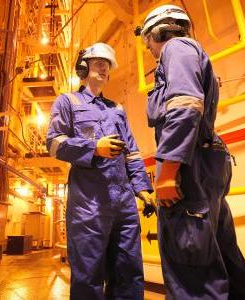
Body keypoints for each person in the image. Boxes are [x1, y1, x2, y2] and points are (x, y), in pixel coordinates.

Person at [136, 5, 245, 299]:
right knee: (224, 255)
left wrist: (167, 173)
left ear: (158, 32)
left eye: (148, 43)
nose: (150, 51)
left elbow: (185, 106)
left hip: (188, 168)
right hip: (206, 163)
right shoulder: (191, 51)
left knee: (191, 268)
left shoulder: (175, 49)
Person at [46, 42, 155, 299]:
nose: (104, 68)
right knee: (89, 274)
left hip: (124, 203)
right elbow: (54, 144)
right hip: (89, 204)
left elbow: (132, 151)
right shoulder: (68, 102)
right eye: (98, 63)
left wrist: (141, 187)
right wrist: (94, 147)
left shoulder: (116, 109)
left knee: (128, 270)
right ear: (83, 68)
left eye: (107, 65)